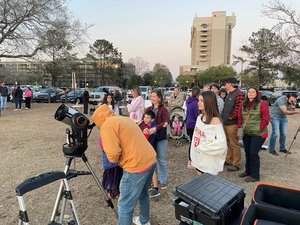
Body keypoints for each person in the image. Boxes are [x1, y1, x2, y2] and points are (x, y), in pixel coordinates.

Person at [91, 104, 156, 225]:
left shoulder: (107, 126)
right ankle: (144, 220)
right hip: (150, 160)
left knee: (125, 205)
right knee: (143, 194)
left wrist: (116, 157)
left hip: (136, 167)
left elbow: (113, 154)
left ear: (98, 120)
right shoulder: (123, 118)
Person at [190, 91, 227, 175]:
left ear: (209, 102)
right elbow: (195, 137)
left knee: (207, 185)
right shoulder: (199, 118)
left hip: (208, 163)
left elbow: (222, 145)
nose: (198, 103)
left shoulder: (216, 121)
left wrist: (202, 146)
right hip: (198, 160)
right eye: (198, 100)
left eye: (202, 101)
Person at [238, 87, 270, 182]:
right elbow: (240, 118)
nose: (251, 93)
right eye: (249, 92)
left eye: (253, 92)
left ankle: (255, 175)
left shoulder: (262, 104)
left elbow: (266, 119)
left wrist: (259, 128)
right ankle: (248, 171)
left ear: (257, 94)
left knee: (253, 153)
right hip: (247, 133)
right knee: (247, 152)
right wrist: (240, 131)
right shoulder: (243, 104)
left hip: (258, 134)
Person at [145, 90, 169, 197]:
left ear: (159, 98)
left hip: (161, 137)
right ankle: (153, 180)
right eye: (151, 96)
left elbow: (166, 122)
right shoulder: (149, 109)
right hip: (151, 139)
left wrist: (155, 128)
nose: (153, 98)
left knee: (161, 159)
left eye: (155, 96)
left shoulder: (163, 109)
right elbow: (144, 120)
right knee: (152, 159)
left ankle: (163, 180)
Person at [221, 77, 244, 172]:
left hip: (232, 124)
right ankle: (229, 159)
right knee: (227, 142)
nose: (224, 85)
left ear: (229, 83)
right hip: (225, 122)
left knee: (234, 144)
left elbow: (239, 109)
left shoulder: (239, 94)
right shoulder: (230, 94)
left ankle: (236, 163)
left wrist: (230, 117)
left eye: (225, 83)